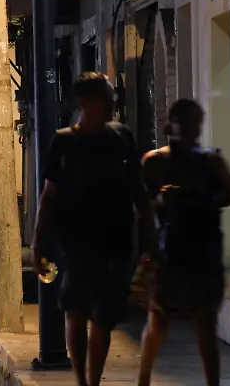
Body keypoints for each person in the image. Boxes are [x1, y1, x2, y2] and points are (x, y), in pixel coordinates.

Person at [31, 72, 157, 386]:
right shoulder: (64, 142)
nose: (114, 101)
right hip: (76, 240)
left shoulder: (121, 136)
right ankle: (82, 381)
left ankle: (94, 381)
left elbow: (137, 188)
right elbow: (49, 195)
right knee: (75, 311)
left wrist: (150, 230)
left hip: (116, 241)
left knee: (104, 316)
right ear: (86, 102)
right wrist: (38, 241)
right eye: (107, 96)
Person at [137, 99, 230, 386]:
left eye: (196, 122)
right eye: (184, 122)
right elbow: (140, 207)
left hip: (204, 253)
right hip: (170, 253)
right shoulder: (156, 162)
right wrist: (161, 200)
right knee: (158, 321)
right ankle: (143, 378)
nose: (191, 129)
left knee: (205, 325)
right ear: (169, 126)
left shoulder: (210, 162)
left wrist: (221, 174)